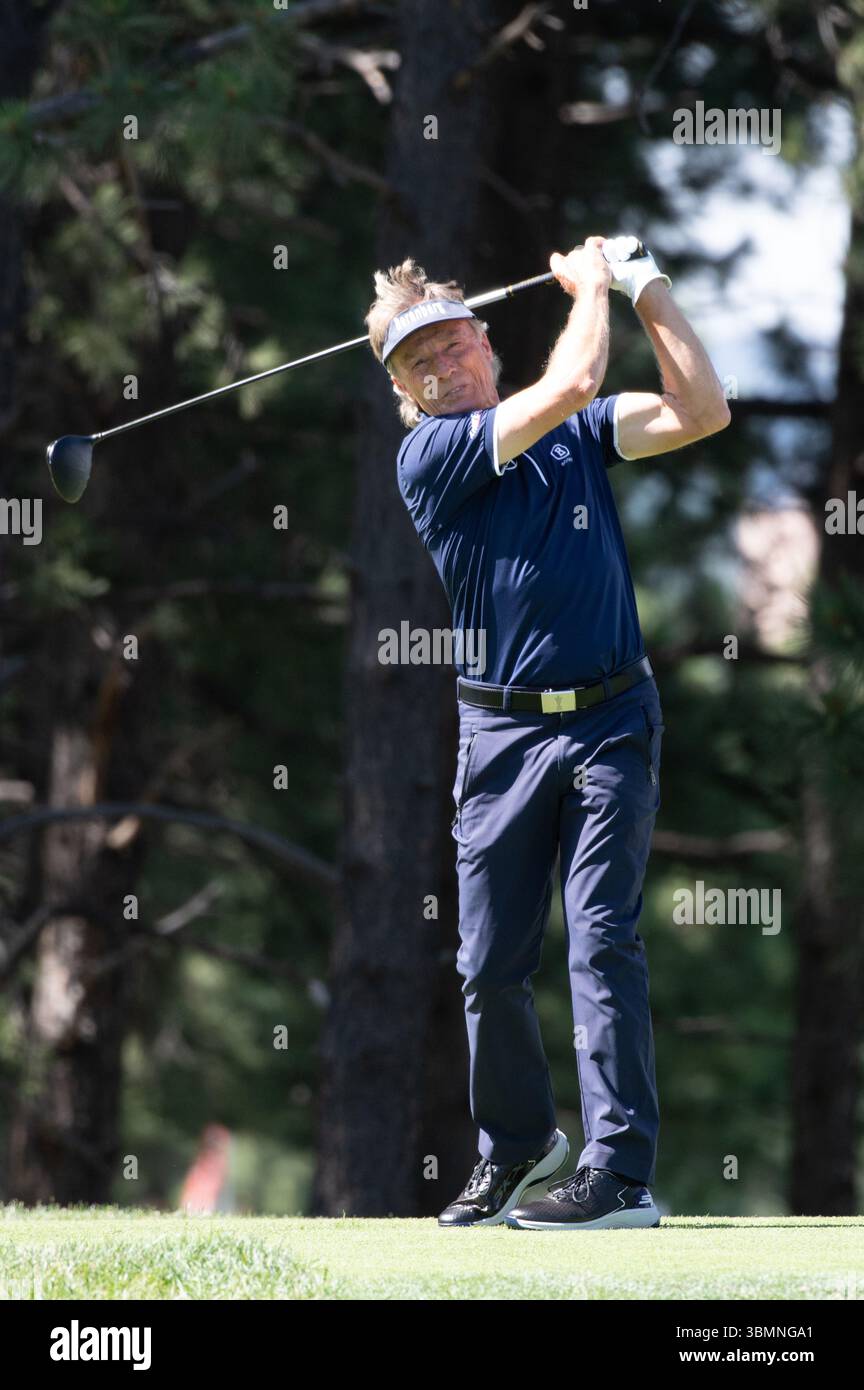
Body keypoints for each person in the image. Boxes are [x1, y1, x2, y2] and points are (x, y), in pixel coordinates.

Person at [364, 237, 730, 1230]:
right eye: (417, 365)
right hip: (501, 742)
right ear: (404, 391)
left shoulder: (574, 438)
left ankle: (619, 1173)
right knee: (488, 965)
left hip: (613, 719)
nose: (442, 369)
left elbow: (704, 409)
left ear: (484, 340)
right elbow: (572, 375)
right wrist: (593, 283)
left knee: (603, 938)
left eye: (450, 346)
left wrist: (648, 279)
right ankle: (520, 1144)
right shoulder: (431, 457)